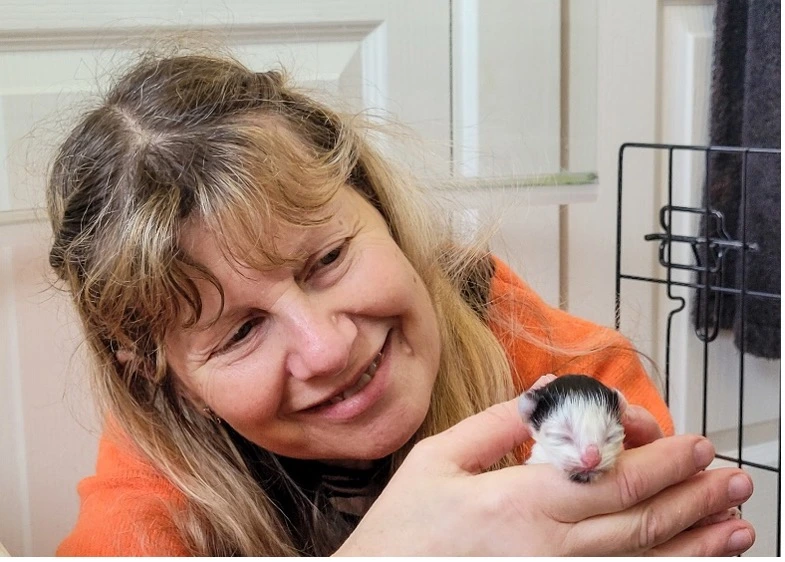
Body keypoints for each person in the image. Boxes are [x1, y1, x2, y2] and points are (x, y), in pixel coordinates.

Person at [48, 51, 755, 556]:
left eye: (326, 260)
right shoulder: (158, 478)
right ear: (167, 376)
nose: (326, 349)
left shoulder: (577, 381)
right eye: (239, 333)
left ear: (382, 212)